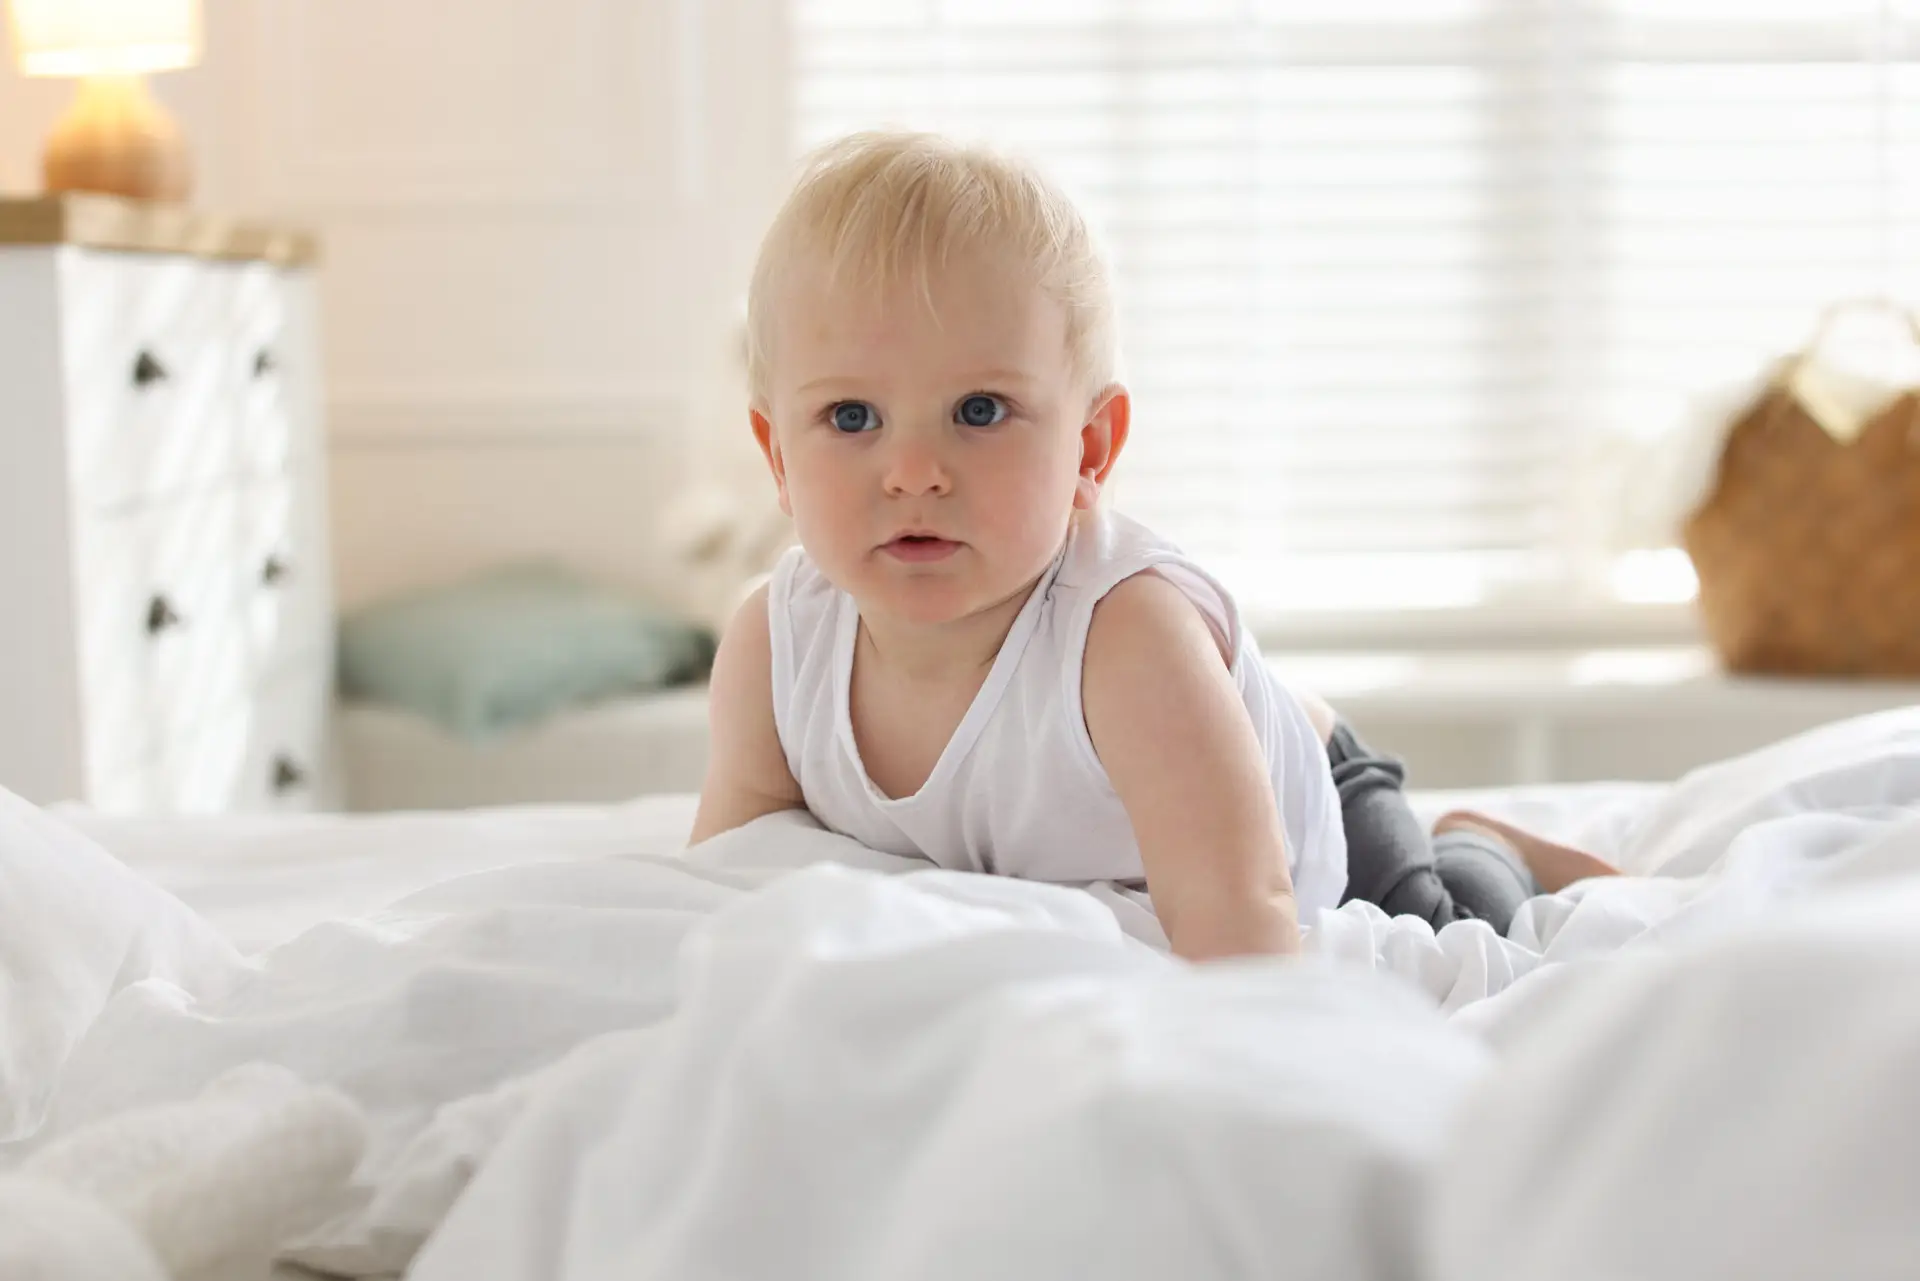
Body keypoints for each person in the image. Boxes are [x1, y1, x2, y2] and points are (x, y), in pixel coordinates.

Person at [689, 130, 1617, 961]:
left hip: (1303, 801)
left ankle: (1481, 842)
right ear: (778, 456)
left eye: (979, 411)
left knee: (1450, 929)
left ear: (1090, 448)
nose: (915, 472)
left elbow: (1240, 918)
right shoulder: (778, 647)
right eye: (852, 416)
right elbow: (726, 883)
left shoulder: (1126, 636)